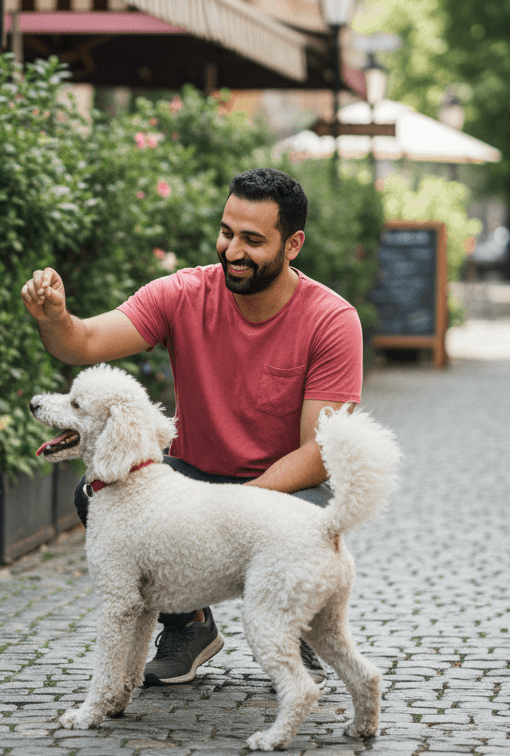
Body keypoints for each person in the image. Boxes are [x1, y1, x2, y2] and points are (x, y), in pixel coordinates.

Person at [21, 168, 362, 689]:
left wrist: (236, 508)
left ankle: (298, 626)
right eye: (227, 232)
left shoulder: (332, 320)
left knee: (308, 526)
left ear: (293, 245)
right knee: (97, 495)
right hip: (191, 479)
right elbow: (84, 344)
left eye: (253, 240)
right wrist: (55, 318)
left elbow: (317, 453)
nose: (232, 250)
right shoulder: (182, 293)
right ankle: (190, 626)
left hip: (289, 492)